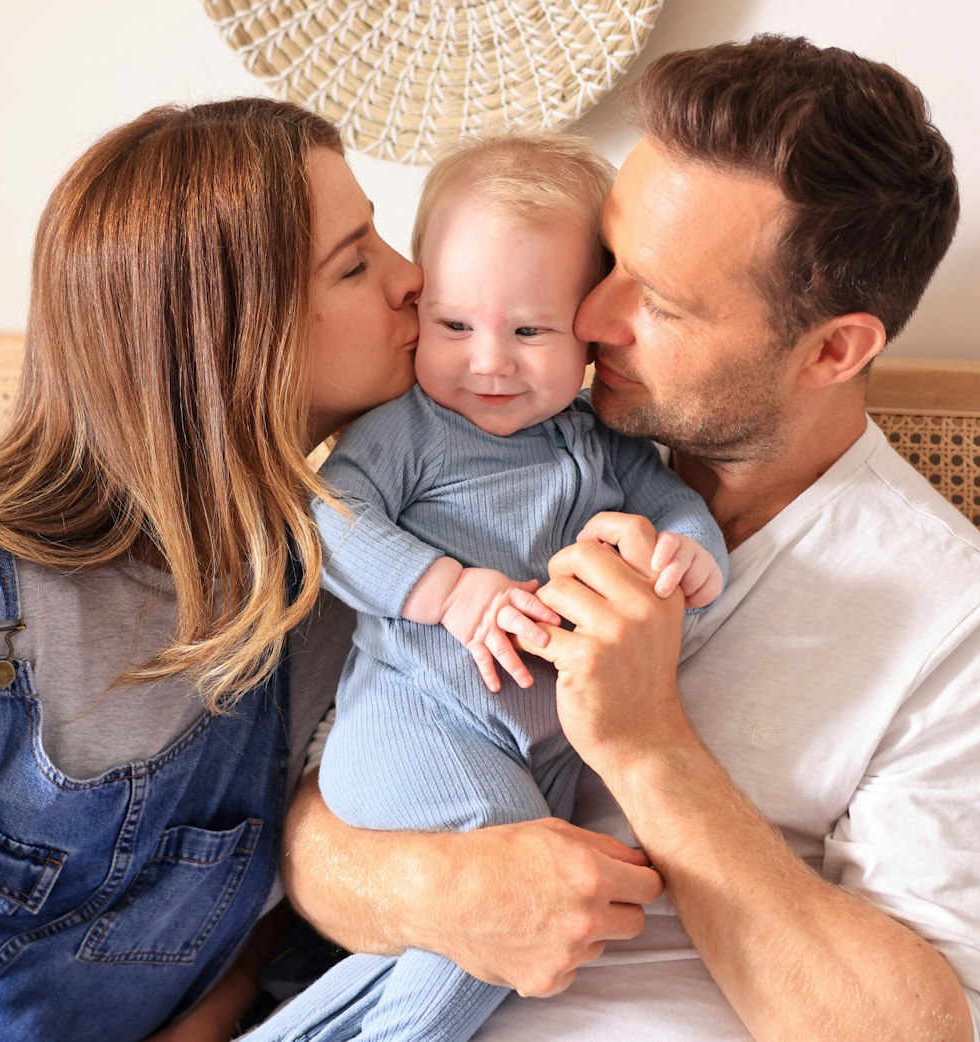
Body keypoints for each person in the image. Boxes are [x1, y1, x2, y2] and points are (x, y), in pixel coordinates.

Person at [281, 34, 980, 1042]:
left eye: (654, 297)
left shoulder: (968, 629)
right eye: (608, 262)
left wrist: (649, 744)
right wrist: (431, 885)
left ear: (833, 348)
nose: (593, 316)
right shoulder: (480, 444)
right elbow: (302, 828)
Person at [0, 97, 424, 1042]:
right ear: (224, 338)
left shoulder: (341, 587)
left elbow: (252, 944)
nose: (414, 280)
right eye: (357, 262)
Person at [246, 136, 726, 1042]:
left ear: (588, 329)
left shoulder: (606, 447)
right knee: (521, 904)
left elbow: (677, 510)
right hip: (415, 724)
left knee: (448, 954)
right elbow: (331, 519)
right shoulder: (408, 429)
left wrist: (692, 557)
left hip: (532, 750)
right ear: (422, 304)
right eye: (455, 326)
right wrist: (452, 593)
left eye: (531, 331)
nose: (489, 363)